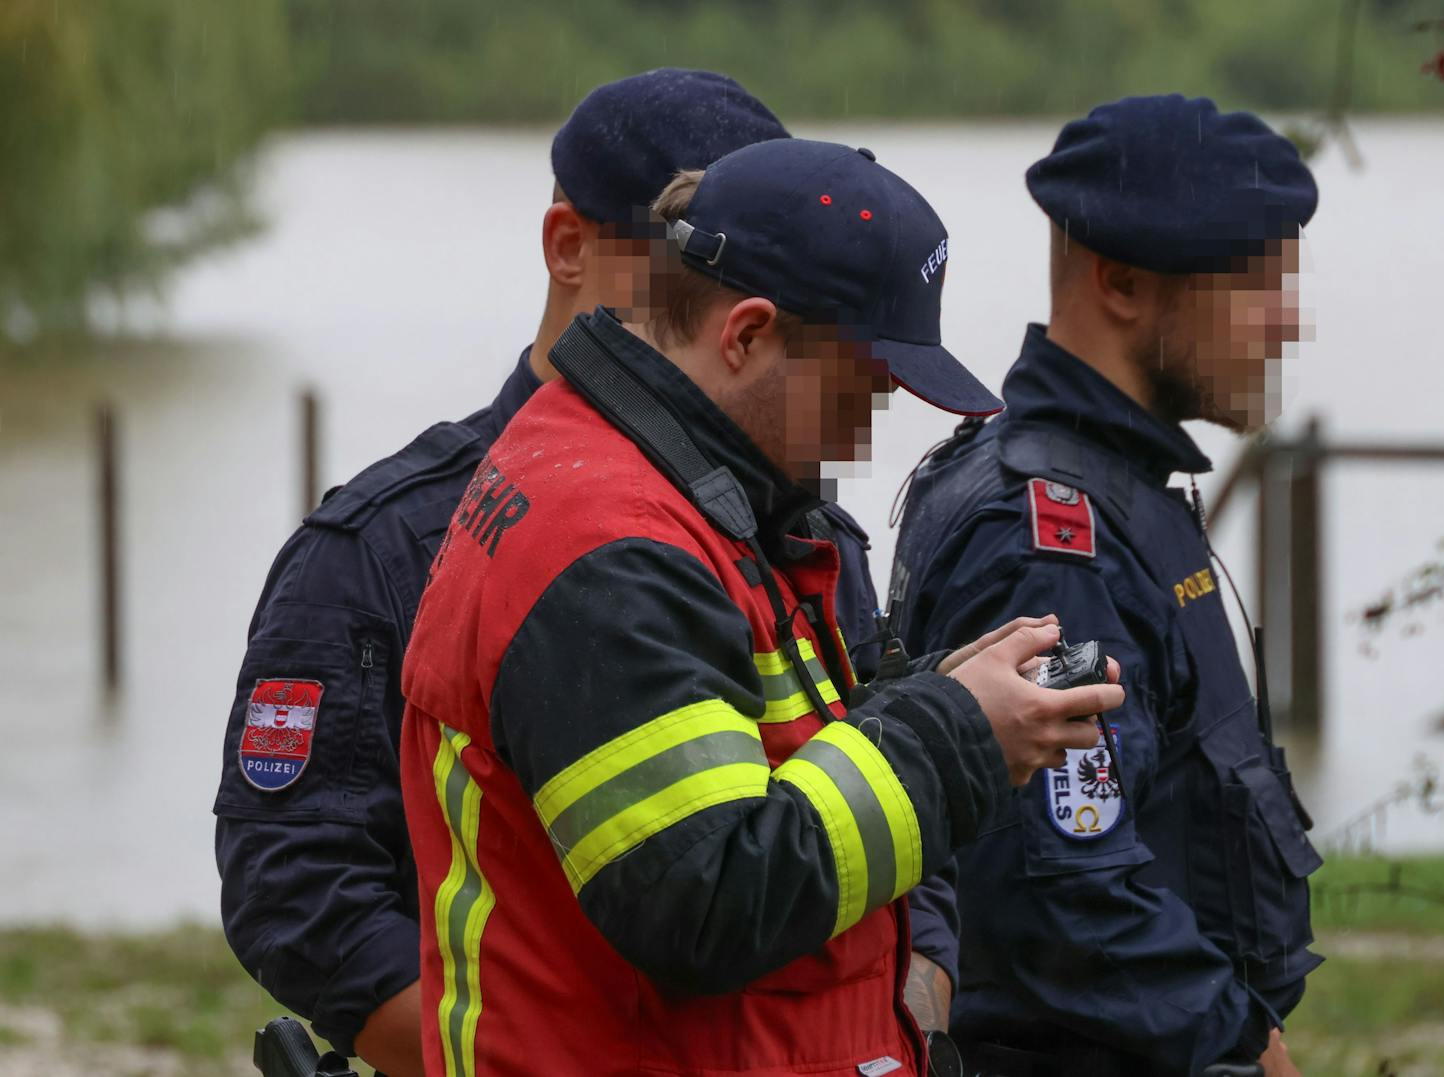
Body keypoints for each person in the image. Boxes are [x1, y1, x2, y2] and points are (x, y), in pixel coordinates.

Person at [398, 138, 1126, 1077]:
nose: (863, 432)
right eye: (860, 388)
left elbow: (763, 771)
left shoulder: (669, 484)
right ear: (744, 333)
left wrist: (933, 701)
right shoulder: (610, 547)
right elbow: (705, 896)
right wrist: (956, 737)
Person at [209, 70, 888, 1077]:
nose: (709, 307)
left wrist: (920, 983)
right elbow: (295, 883)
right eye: (671, 265)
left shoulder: (805, 530)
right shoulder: (383, 542)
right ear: (566, 246)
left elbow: (879, 784)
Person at [888, 95, 1325, 1077]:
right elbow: (1061, 894)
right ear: (1122, 284)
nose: (1287, 323)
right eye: (1255, 286)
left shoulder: (1089, 488)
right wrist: (1239, 1039)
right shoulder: (1051, 546)